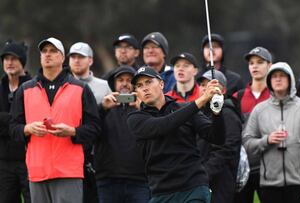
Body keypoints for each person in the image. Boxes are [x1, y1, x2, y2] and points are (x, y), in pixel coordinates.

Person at [10, 37, 101, 203]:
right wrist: (27, 129)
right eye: (44, 51)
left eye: (53, 51)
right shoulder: (25, 89)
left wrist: (73, 131)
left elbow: (95, 128)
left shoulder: (81, 89)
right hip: (37, 171)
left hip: (69, 171)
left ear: (62, 57)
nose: (47, 54)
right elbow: (13, 128)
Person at [127, 65, 225, 203]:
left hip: (193, 188)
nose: (144, 88)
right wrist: (202, 100)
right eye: (139, 85)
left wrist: (217, 113)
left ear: (161, 84)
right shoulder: (135, 119)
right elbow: (163, 126)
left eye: (148, 82)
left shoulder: (184, 108)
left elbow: (217, 137)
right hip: (161, 192)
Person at [243, 62, 300, 203]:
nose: (278, 79)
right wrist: (266, 140)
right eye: (274, 76)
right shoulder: (259, 110)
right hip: (269, 186)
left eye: (282, 76)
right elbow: (247, 142)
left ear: (290, 79)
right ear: (269, 80)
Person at [95, 65, 150, 203]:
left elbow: (155, 130)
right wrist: (102, 108)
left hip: (140, 181)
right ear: (114, 84)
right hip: (108, 180)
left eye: (129, 80)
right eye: (120, 80)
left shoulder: (144, 108)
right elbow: (90, 128)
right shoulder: (104, 108)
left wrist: (143, 109)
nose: (125, 83)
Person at [68, 41, 111, 203]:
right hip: (69, 149)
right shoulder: (62, 85)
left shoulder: (103, 85)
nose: (76, 60)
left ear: (91, 61)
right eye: (73, 57)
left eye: (81, 57)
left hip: (95, 153)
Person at [232, 46, 272, 203]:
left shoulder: (275, 95)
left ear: (269, 65)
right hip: (244, 166)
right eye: (251, 63)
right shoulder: (238, 97)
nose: (254, 66)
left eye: (260, 62)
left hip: (269, 167)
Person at [197, 70, 242, 203]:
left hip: (220, 183)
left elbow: (226, 150)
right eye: (203, 85)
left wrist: (204, 173)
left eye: (210, 85)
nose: (205, 89)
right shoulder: (200, 114)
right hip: (201, 181)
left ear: (222, 91)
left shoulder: (228, 113)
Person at [0, 40, 32, 203]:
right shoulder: (0, 87)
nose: (9, 63)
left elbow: (33, 118)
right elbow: (20, 121)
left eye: (14, 58)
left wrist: (6, 120)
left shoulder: (33, 87)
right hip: (4, 161)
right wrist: (16, 122)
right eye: (6, 59)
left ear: (22, 62)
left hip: (29, 159)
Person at [199, 33, 244, 97]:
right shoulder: (195, 78)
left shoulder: (235, 80)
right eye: (207, 46)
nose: (211, 49)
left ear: (223, 50)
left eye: (215, 46)